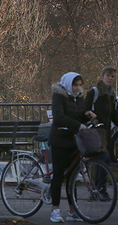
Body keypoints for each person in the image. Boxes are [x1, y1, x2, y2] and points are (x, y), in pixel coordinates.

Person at [49, 72, 96, 223]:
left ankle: (72, 211)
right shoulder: (59, 96)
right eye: (75, 85)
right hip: (60, 139)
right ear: (69, 84)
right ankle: (55, 210)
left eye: (80, 85)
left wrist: (87, 115)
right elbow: (59, 117)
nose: (78, 88)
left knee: (72, 178)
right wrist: (78, 125)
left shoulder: (79, 97)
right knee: (58, 175)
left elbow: (79, 115)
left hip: (73, 139)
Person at [84, 66, 118, 164]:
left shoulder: (112, 94)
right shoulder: (94, 92)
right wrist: (92, 118)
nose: (110, 78)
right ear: (102, 77)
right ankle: (97, 179)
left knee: (103, 161)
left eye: (112, 76)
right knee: (103, 159)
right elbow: (84, 109)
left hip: (106, 132)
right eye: (108, 76)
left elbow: (114, 115)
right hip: (95, 131)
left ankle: (98, 179)